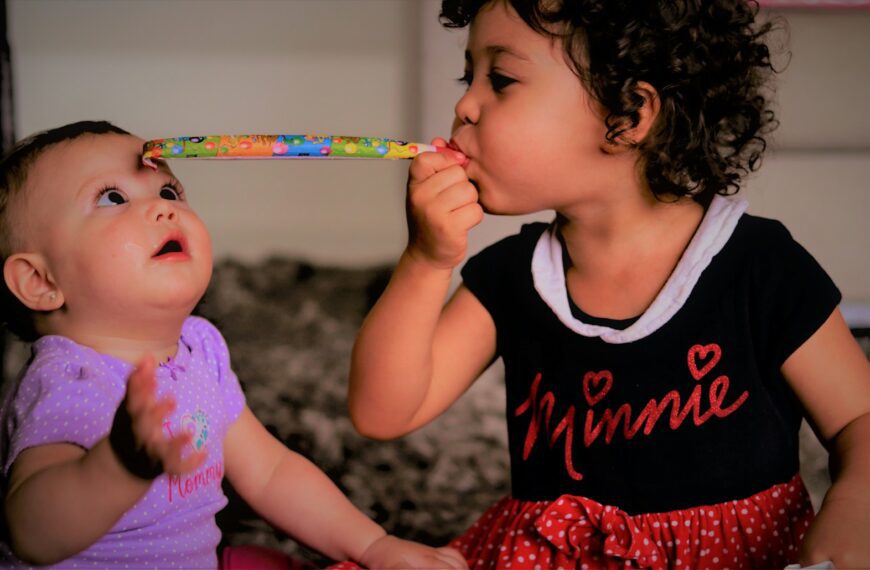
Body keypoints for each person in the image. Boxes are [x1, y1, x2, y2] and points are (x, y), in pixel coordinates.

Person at [348, 1, 870, 568]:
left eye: (500, 79)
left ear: (627, 116)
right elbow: (383, 412)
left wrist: (857, 508)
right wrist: (426, 259)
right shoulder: (513, 277)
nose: (464, 104)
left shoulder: (758, 265)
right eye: (467, 76)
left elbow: (857, 419)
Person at [0, 120, 467, 570]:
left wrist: (375, 545)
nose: (165, 208)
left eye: (168, 191)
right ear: (40, 281)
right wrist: (116, 466)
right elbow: (31, 531)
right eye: (113, 197)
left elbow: (270, 473)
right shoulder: (68, 379)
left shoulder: (199, 346)